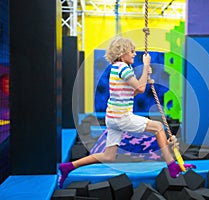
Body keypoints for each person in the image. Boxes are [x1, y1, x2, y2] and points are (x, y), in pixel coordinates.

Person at [58, 37, 195, 188]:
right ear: (122, 52)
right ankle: (172, 166)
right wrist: (146, 66)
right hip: (121, 117)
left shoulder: (116, 68)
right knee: (158, 127)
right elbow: (141, 89)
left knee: (108, 156)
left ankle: (69, 166)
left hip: (113, 118)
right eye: (132, 51)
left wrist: (145, 75)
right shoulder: (123, 67)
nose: (135, 54)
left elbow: (133, 92)